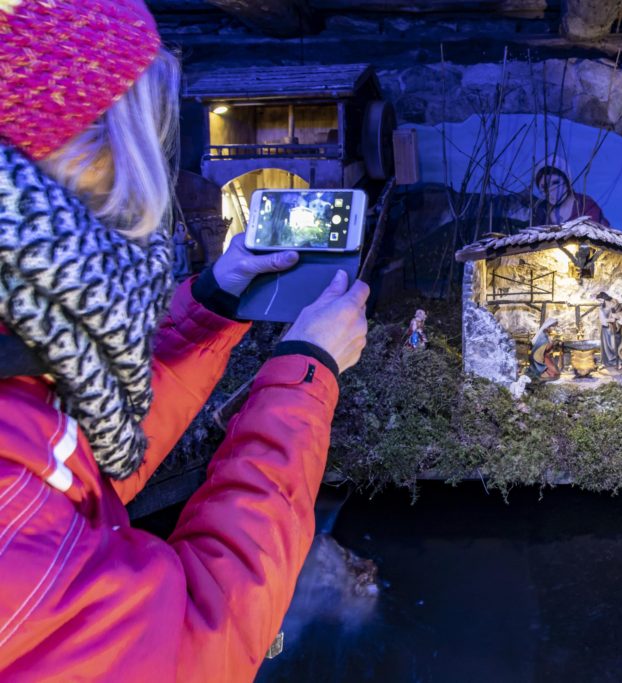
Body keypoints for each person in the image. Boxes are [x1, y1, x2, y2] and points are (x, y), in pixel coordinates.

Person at [0, 3, 368, 680]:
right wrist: (306, 371)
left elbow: (84, 456)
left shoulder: (22, 360)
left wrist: (213, 304)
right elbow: (198, 638)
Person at [531, 154, 609, 226]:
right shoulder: (541, 211)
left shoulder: (585, 205)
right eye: (544, 187)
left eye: (555, 183)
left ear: (567, 182)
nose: (550, 190)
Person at [597, 292, 622, 372]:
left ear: (604, 299)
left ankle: (618, 362)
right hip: (605, 330)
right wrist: (609, 320)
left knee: (614, 346)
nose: (600, 302)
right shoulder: (601, 309)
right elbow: (602, 320)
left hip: (614, 330)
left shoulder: (615, 305)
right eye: (599, 301)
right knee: (606, 347)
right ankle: (607, 363)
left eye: (600, 300)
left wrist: (618, 318)